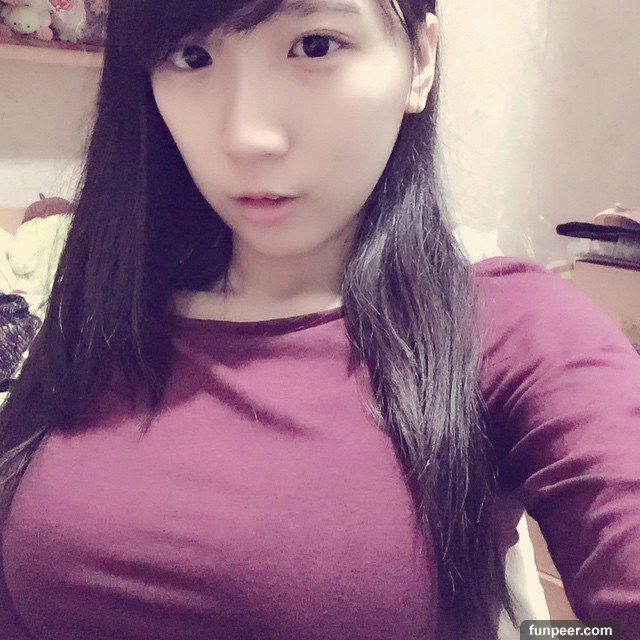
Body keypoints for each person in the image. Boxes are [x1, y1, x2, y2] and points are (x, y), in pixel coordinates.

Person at [0, 0, 639, 638]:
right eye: (192, 57)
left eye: (315, 46)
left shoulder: (510, 329)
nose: (247, 137)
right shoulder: (106, 308)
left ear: (420, 61)